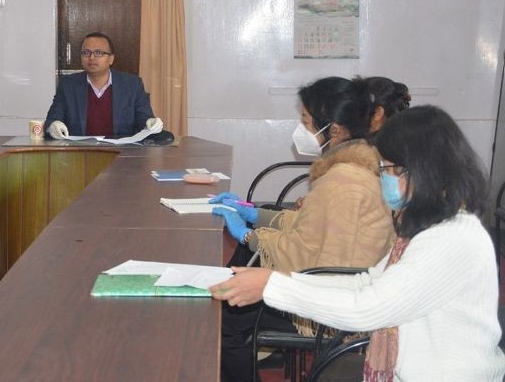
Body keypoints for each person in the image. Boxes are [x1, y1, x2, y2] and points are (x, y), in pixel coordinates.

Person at [211, 105, 505, 381]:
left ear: (423, 172)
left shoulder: (451, 238)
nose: (383, 179)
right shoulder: (429, 225)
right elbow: (367, 282)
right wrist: (273, 281)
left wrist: (272, 286)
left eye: (390, 170)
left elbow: (368, 307)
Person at [210, 76, 396, 381]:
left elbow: (308, 256)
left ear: (333, 130)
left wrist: (247, 234)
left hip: (335, 310)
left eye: (306, 122)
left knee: (222, 319)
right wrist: (254, 215)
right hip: (344, 286)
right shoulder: (356, 164)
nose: (301, 131)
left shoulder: (343, 180)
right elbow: (307, 225)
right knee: (237, 282)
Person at [43, 32, 162, 139]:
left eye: (99, 53)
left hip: (122, 154)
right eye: (86, 53)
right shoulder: (68, 85)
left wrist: (151, 122)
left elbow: (144, 120)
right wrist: (53, 126)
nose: (91, 58)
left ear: (111, 59)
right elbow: (52, 120)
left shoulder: (132, 85)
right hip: (79, 154)